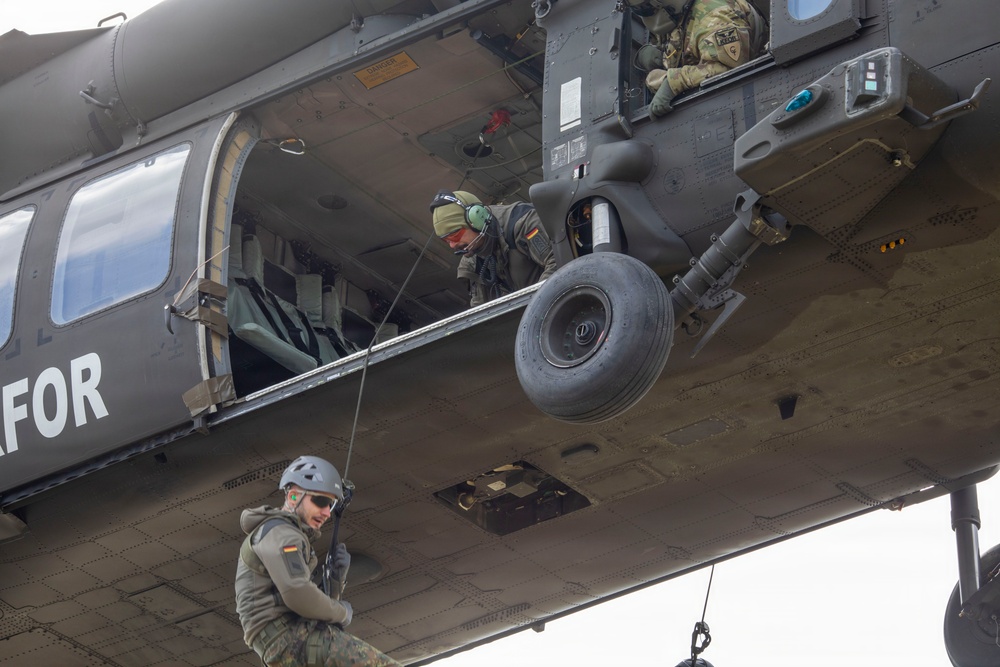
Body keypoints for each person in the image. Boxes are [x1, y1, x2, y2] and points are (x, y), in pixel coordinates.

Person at [235, 456, 400, 667]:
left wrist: (336, 581)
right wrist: (342, 612)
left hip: (285, 647)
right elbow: (298, 594)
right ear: (293, 497)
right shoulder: (282, 534)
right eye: (321, 501)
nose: (326, 513)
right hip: (293, 642)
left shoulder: (281, 534)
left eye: (330, 505)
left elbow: (301, 603)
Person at [630, 0, 766, 118]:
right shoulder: (679, 10)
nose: (647, 15)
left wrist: (674, 82)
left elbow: (728, 70)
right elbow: (679, 33)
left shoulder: (714, 16)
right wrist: (659, 51)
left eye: (646, 10)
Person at [430, 190, 557, 307]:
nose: (452, 245)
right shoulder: (472, 262)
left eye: (455, 235)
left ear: (477, 218)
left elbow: (559, 263)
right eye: (446, 240)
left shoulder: (523, 224)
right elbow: (480, 312)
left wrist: (534, 308)